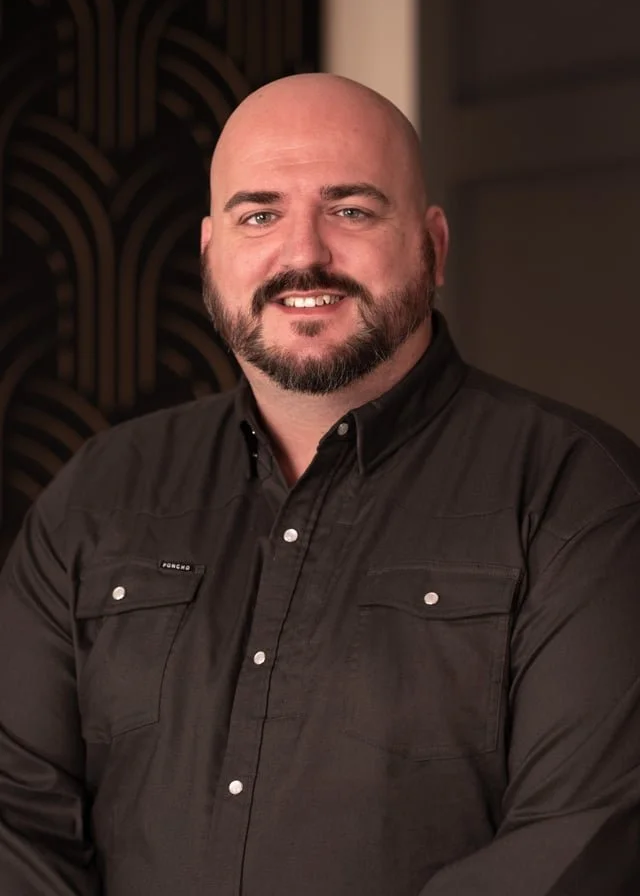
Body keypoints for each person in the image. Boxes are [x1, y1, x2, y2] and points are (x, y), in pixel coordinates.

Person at [1, 73, 639, 896]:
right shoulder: (98, 492)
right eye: (259, 214)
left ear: (433, 247)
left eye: (352, 210)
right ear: (210, 255)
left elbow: (578, 846)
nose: (303, 253)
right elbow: (15, 819)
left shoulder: (580, 493)